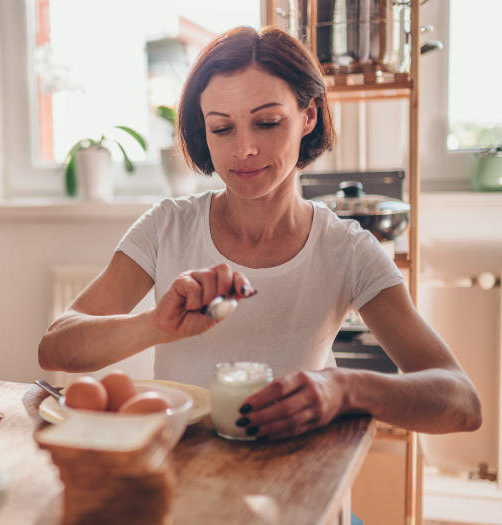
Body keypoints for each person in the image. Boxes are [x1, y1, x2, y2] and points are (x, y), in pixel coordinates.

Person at [38, 26, 481, 440]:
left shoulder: (347, 249)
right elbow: (55, 349)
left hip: (296, 482)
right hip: (185, 475)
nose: (244, 149)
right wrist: (155, 325)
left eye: (267, 122)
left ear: (308, 116)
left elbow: (461, 401)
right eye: (222, 128)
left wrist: (345, 389)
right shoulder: (166, 227)